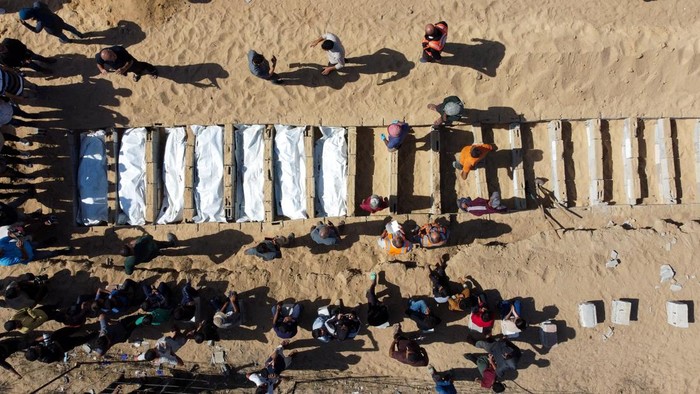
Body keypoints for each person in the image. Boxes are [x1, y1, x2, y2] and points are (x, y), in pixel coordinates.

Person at [18, 2, 84, 44]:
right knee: (69, 27)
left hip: (53, 29)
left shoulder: (40, 22)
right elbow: (45, 6)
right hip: (57, 20)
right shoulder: (37, 4)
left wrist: (25, 24)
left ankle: (68, 41)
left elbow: (36, 30)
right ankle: (79, 34)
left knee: (61, 35)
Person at [25, 327, 97, 363]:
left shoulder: (33, 347)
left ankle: (79, 327)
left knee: (69, 330)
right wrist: (56, 345)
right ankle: (94, 334)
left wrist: (45, 338)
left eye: (35, 348)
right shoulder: (46, 358)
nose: (37, 347)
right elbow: (61, 357)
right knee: (80, 340)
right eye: (37, 349)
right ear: (38, 354)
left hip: (56, 337)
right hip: (64, 345)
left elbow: (36, 341)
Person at [0, 233, 71, 266]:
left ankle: (50, 242)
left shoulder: (1, 244)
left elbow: (9, 237)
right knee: (49, 254)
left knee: (40, 243)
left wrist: (14, 234)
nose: (2, 248)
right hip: (32, 255)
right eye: (1, 250)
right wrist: (21, 248)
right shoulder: (5, 262)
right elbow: (25, 258)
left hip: (27, 244)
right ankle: (64, 252)